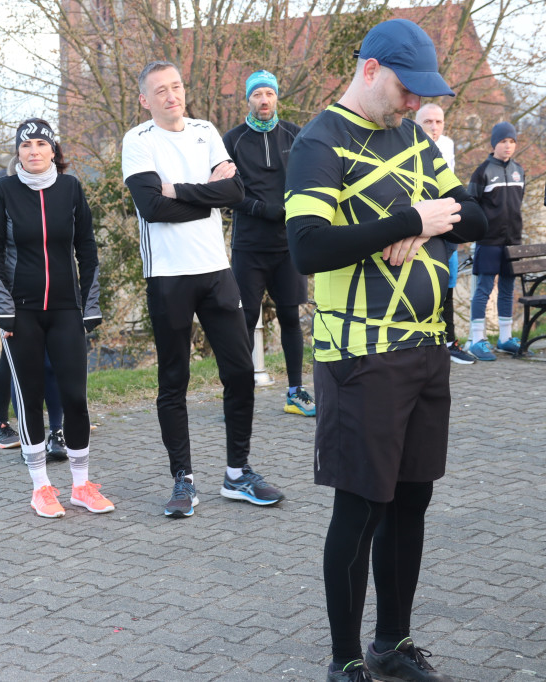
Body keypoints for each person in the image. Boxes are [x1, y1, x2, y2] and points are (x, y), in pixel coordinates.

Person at [285, 19, 486, 681]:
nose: (411, 104)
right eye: (406, 88)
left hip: (427, 349)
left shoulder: (412, 138)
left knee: (412, 500)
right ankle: (346, 661)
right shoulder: (319, 143)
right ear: (369, 68)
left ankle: (391, 644)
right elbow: (308, 248)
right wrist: (410, 220)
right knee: (362, 506)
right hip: (360, 357)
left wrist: (431, 225)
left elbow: (478, 215)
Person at [121, 60, 285, 518]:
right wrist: (202, 197)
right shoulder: (137, 141)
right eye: (160, 90)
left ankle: (237, 474)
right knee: (174, 380)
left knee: (239, 372)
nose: (172, 96)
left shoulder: (206, 129)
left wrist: (178, 190)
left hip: (216, 271)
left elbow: (234, 193)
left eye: (176, 86)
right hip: (168, 276)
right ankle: (183, 480)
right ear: (144, 99)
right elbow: (151, 207)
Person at [0, 118, 113, 518]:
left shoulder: (71, 189)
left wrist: (89, 305)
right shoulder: (2, 191)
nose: (34, 151)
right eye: (26, 145)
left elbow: (87, 249)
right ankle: (41, 487)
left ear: (54, 150)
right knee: (31, 398)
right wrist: (4, 310)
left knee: (75, 396)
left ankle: (80, 485)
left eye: (42, 144)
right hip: (21, 314)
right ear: (17, 153)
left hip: (65, 310)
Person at [222, 70, 315, 416]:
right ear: (248, 99)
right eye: (258, 94)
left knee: (290, 316)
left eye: (269, 94)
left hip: (288, 244)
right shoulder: (231, 139)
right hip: (248, 245)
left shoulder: (295, 134)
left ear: (277, 98)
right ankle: (238, 396)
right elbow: (226, 193)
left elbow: (310, 178)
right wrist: (263, 209)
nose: (264, 100)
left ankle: (295, 392)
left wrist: (294, 210)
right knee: (244, 318)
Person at [416, 103, 478, 364]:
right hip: (420, 223)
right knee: (422, 286)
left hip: (446, 222)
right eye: (428, 122)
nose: (434, 127)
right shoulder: (405, 145)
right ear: (416, 124)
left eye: (438, 122)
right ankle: (422, 344)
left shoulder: (448, 144)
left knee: (448, 284)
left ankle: (449, 341)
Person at [466, 121, 525, 360]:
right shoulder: (482, 171)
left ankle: (504, 339)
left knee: (508, 289)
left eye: (511, 141)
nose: (508, 146)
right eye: (503, 141)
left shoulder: (519, 170)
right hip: (488, 241)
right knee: (484, 289)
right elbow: (470, 205)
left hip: (513, 241)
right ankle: (477, 340)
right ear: (494, 144)